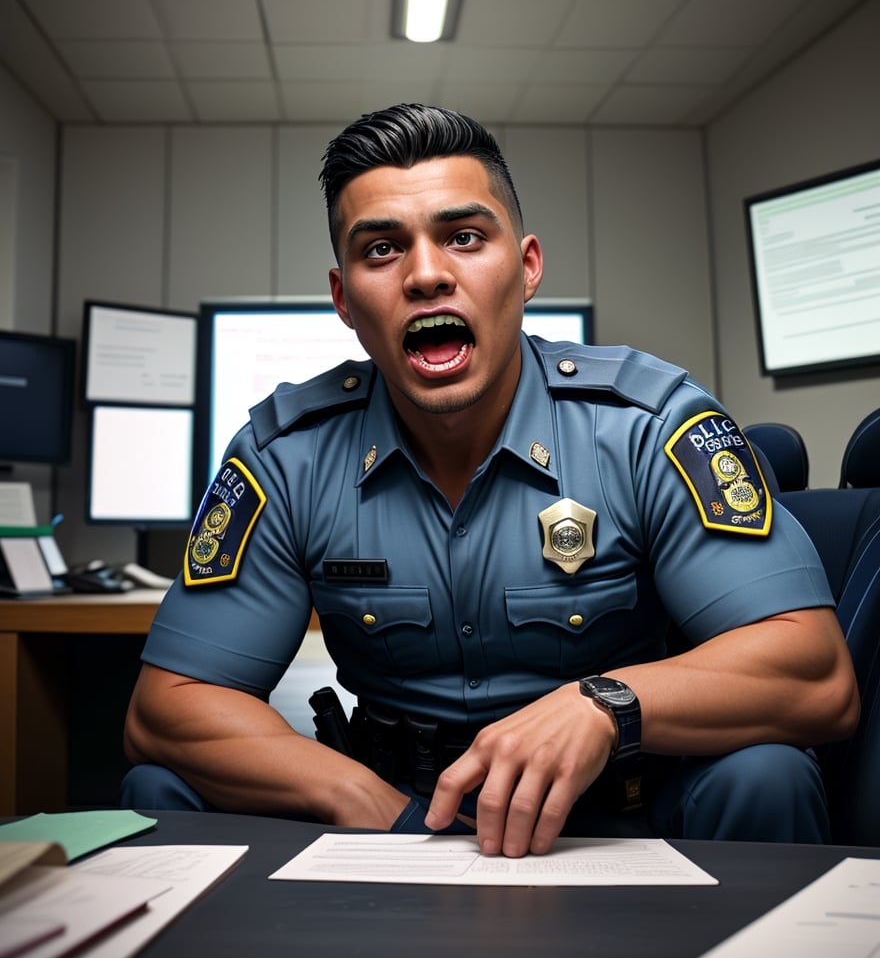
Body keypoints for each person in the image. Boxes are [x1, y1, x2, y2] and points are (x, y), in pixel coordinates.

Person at [122, 103, 859, 857]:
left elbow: (816, 674)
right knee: (159, 787)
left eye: (464, 238)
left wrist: (603, 706)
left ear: (528, 266)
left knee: (767, 775)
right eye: (381, 250)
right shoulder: (287, 456)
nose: (427, 274)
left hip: (617, 825)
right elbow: (166, 709)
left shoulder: (646, 426)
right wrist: (353, 792)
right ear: (345, 301)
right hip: (395, 826)